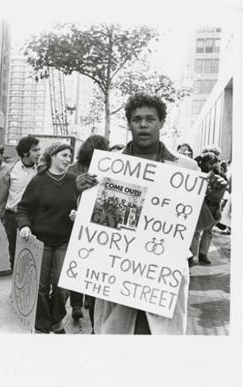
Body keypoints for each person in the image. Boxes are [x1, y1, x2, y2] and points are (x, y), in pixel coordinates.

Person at [76, 93, 227, 334]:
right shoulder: (111, 166)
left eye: (150, 119)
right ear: (129, 123)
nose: (144, 125)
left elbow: (195, 224)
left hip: (162, 277)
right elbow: (101, 226)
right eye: (137, 119)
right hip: (119, 273)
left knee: (159, 350)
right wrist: (85, 196)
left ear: (161, 122)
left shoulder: (185, 168)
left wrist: (213, 199)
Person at [16, 142, 78, 334]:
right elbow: (23, 207)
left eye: (70, 156)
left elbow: (86, 208)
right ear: (52, 156)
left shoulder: (74, 181)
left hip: (64, 241)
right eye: (64, 155)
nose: (68, 160)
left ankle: (56, 318)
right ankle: (43, 323)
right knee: (41, 286)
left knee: (62, 286)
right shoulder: (39, 181)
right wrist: (24, 225)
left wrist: (79, 215)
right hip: (41, 241)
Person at [67, 134, 109, 330]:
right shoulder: (106, 170)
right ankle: (89, 303)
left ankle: (76, 305)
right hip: (96, 226)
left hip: (76, 224)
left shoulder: (73, 169)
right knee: (92, 268)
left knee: (79, 265)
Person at [0, 135, 41, 270]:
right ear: (25, 153)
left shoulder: (40, 171)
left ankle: (32, 289)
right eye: (35, 150)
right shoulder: (10, 170)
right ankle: (16, 288)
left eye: (39, 150)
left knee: (34, 256)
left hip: (36, 218)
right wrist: (3, 215)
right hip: (13, 217)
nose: (38, 153)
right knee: (15, 253)